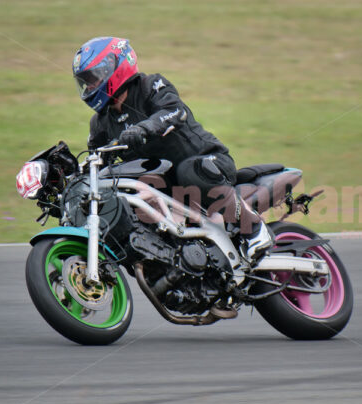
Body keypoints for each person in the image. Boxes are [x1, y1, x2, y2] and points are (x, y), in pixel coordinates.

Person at [72, 36, 272, 260]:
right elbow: (97, 161)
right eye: (85, 81)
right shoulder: (100, 123)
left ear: (115, 66)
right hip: (166, 187)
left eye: (93, 78)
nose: (90, 86)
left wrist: (144, 128)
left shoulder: (151, 86)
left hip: (208, 163)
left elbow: (174, 111)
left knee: (189, 170)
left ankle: (253, 228)